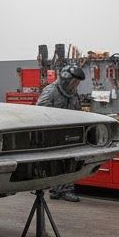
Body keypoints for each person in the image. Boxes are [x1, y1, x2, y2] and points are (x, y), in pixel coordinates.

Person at [36, 65, 86, 201]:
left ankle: (63, 190)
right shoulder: (50, 91)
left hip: (69, 133)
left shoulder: (73, 93)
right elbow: (40, 112)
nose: (75, 85)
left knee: (70, 162)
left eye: (77, 82)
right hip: (53, 134)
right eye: (74, 82)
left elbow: (78, 110)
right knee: (56, 163)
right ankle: (57, 190)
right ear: (65, 79)